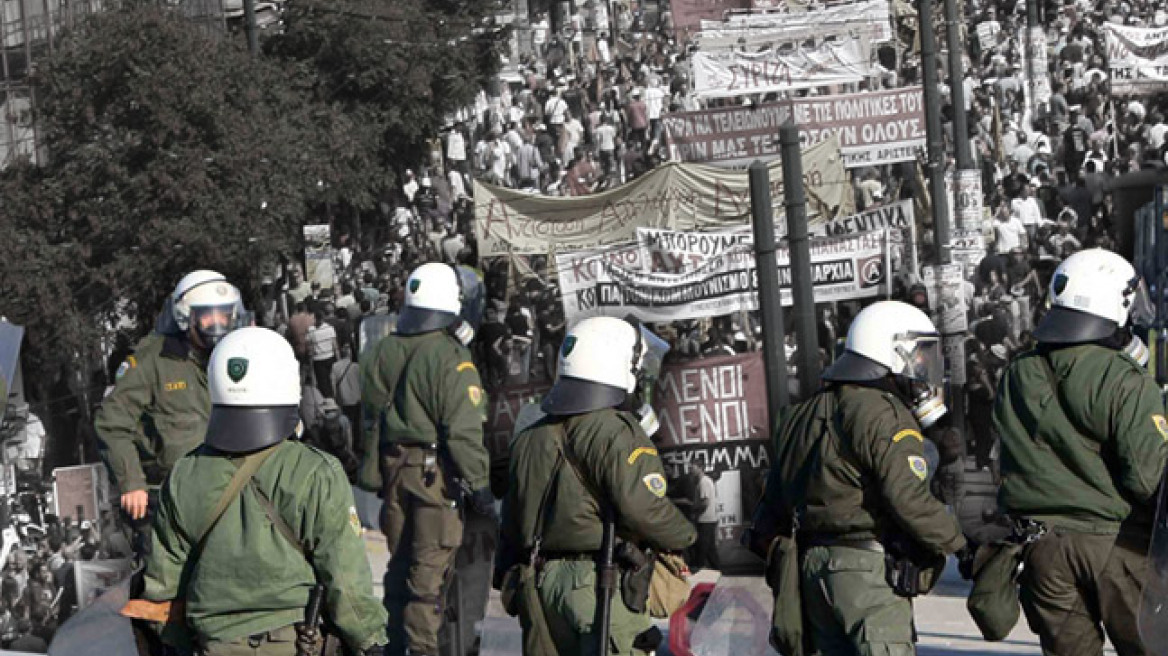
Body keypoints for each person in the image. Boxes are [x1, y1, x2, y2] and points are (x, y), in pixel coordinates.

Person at [141, 327, 387, 655]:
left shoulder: (184, 474)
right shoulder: (316, 472)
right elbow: (346, 581)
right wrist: (372, 643)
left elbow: (163, 590)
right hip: (297, 643)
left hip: (212, 644)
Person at [751, 300, 965, 656]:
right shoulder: (884, 413)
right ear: (891, 350)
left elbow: (772, 504)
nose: (923, 366)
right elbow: (908, 498)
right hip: (867, 571)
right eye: (919, 353)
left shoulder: (804, 412)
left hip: (812, 568)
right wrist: (960, 545)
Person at [993, 249, 1167, 656]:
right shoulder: (1126, 380)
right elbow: (1147, 478)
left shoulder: (1017, 373)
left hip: (1042, 550)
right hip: (1116, 546)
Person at [496, 317, 696, 655]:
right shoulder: (615, 430)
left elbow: (512, 519)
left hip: (540, 583)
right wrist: (686, 535)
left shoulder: (530, 435)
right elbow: (642, 507)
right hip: (599, 582)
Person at [363, 262, 493, 656]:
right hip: (434, 479)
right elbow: (463, 431)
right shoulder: (451, 358)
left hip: (393, 471)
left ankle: (393, 646)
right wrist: (482, 488)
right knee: (428, 578)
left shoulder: (381, 351)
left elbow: (369, 415)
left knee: (399, 570)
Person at [95, 270, 243, 537]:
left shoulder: (240, 357)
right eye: (208, 315)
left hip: (232, 495)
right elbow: (111, 422)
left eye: (224, 314)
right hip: (172, 502)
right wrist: (132, 483)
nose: (218, 323)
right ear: (187, 316)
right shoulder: (153, 361)